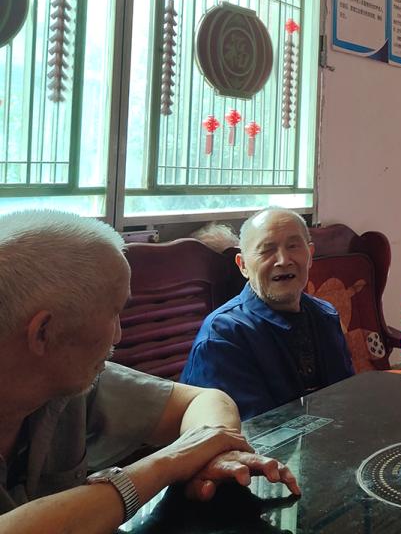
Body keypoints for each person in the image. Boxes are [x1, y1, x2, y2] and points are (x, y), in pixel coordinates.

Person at [0, 210, 299, 533]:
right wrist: (170, 462)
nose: (118, 335)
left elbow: (203, 400)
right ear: (43, 332)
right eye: (113, 314)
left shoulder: (68, 383)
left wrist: (212, 455)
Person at [181, 207, 354, 420]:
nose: (283, 260)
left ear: (310, 255)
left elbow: (346, 399)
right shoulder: (224, 336)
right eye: (267, 250)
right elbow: (250, 432)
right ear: (243, 265)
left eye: (293, 246)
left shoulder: (325, 316)